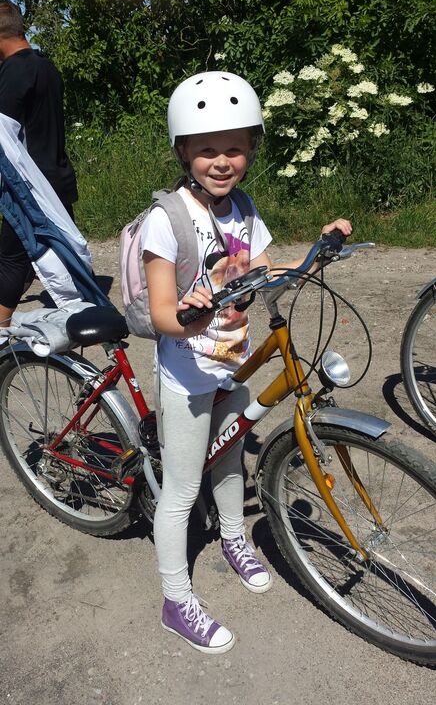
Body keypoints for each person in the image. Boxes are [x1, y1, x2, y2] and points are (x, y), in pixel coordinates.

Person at [142, 71, 352, 654]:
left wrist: (316, 254)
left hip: (231, 364)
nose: (221, 161)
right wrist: (189, 315)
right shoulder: (168, 219)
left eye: (234, 147)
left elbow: (264, 273)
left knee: (231, 457)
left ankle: (235, 538)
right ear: (183, 151)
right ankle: (175, 600)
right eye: (206, 148)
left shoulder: (244, 208)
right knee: (182, 489)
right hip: (187, 373)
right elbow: (160, 312)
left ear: (251, 150)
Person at [0, 0, 78, 327]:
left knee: (10, 259)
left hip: (31, 185)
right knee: (63, 255)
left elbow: (4, 137)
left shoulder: (13, 71)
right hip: (57, 176)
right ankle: (84, 318)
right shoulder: (47, 67)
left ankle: (1, 332)